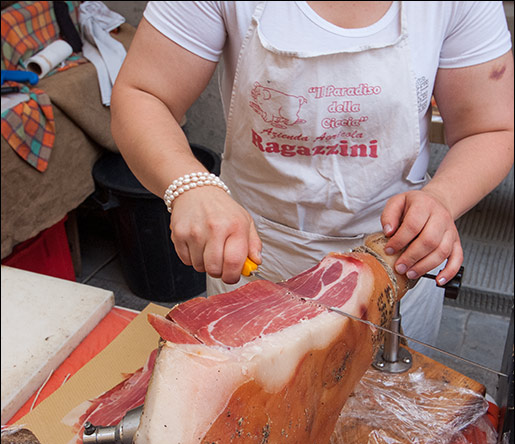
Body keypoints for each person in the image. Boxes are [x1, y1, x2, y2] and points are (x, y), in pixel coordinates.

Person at [110, 1, 513, 344]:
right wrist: (190, 185)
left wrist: (441, 200)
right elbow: (144, 94)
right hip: (258, 262)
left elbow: (492, 127)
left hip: (394, 264)